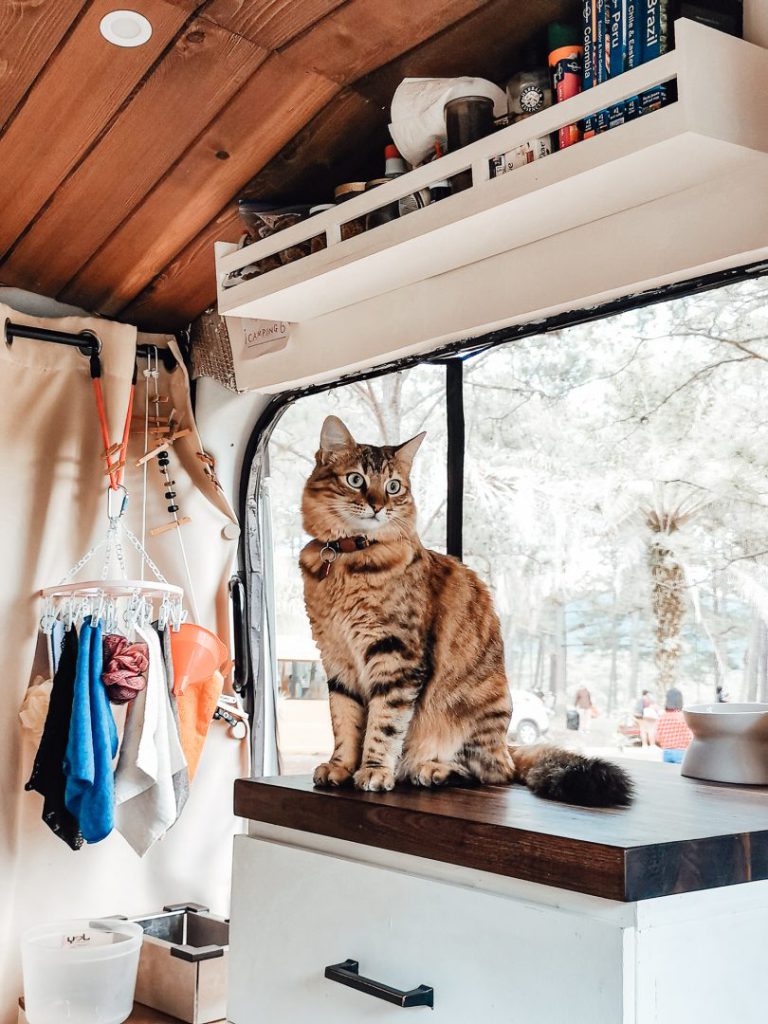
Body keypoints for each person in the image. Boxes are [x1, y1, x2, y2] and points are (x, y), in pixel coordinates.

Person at [655, 687, 693, 764]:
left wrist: (666, 746)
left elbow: (657, 738)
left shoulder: (662, 717)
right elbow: (690, 737)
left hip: (666, 752)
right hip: (681, 752)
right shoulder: (684, 717)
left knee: (668, 774)